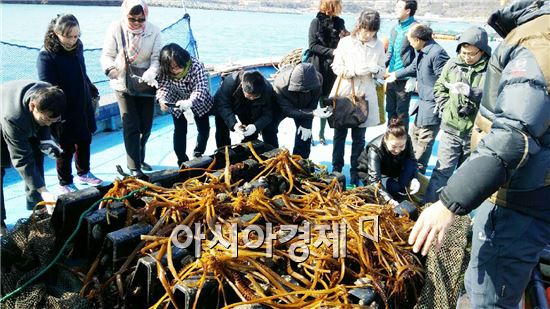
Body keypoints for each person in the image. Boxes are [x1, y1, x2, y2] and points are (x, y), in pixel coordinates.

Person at [408, 1, 550, 308]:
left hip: (518, 202)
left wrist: (449, 202)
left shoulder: (537, 40)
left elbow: (514, 136)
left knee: (487, 298)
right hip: (537, 193)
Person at [423, 27, 491, 203]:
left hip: (475, 133)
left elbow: (496, 98)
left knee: (466, 178)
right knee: (441, 171)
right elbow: (439, 88)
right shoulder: (452, 64)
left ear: (482, 51)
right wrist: (447, 107)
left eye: (472, 54)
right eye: (463, 52)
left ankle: (458, 222)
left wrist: (473, 94)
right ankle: (427, 210)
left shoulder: (492, 70)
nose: (467, 57)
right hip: (451, 128)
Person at [37, 14, 102, 194]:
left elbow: (82, 70)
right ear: (56, 33)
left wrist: (89, 87)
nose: (73, 40)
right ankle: (65, 181)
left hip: (82, 101)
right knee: (64, 146)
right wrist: (57, 110)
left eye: (76, 36)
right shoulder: (46, 56)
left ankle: (84, 172)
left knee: (85, 138)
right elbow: (46, 87)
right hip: (63, 107)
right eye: (68, 36)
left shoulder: (78, 47)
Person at [100, 0, 162, 177]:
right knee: (131, 124)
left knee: (146, 126)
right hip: (122, 83)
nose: (136, 23)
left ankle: (140, 157)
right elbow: (107, 55)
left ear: (146, 16)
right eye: (131, 19)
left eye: (140, 19)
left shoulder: (154, 31)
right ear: (125, 14)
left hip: (146, 83)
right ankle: (134, 166)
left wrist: (152, 71)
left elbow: (156, 57)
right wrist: (110, 68)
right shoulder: (115, 28)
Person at [330, 9, 386, 187]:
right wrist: (353, 72)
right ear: (359, 26)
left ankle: (355, 171)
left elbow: (383, 70)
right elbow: (336, 67)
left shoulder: (377, 45)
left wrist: (376, 70)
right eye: (365, 30)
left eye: (372, 31)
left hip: (365, 96)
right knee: (339, 134)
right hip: (346, 92)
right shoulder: (346, 42)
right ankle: (336, 169)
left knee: (359, 137)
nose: (368, 34)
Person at [1, 81, 67, 230]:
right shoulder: (13, 117)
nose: (49, 124)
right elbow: (21, 159)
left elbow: (49, 121)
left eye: (53, 120)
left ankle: (38, 208)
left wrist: (47, 139)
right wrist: (45, 191)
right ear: (32, 107)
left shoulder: (50, 93)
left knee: (37, 159)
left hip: (28, 120)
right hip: (4, 118)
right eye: (46, 120)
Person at [387, 24, 449, 174]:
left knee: (424, 141)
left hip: (432, 105)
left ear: (417, 39)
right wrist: (395, 75)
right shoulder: (422, 51)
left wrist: (440, 102)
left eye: (409, 39)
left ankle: (418, 173)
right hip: (422, 104)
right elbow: (413, 68)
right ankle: (409, 169)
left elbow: (445, 79)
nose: (409, 42)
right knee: (414, 136)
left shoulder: (437, 53)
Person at [156, 43, 213, 167]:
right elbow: (163, 86)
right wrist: (162, 99)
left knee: (204, 129)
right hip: (177, 102)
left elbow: (200, 87)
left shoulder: (196, 65)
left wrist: (190, 102)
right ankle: (181, 160)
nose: (174, 71)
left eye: (177, 67)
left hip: (198, 101)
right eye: (171, 68)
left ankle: (198, 152)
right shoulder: (165, 69)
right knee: (180, 131)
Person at [308, 0, 348, 145]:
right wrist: (332, 52)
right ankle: (310, 132)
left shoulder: (340, 23)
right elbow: (312, 46)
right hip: (318, 67)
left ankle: (321, 133)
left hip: (333, 69)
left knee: (326, 101)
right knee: (312, 102)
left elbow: (346, 40)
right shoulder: (315, 22)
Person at [357, 118, 420, 206]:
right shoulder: (374, 148)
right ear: (386, 140)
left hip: (391, 165)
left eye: (401, 146)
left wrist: (415, 178)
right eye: (394, 146)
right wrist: (389, 199)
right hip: (371, 173)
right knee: (386, 191)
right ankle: (393, 189)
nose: (397, 150)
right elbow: (374, 180)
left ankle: (401, 189)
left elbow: (412, 160)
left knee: (409, 165)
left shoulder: (407, 139)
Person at [273, 63, 331, 158]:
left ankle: (300, 161)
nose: (305, 91)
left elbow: (313, 104)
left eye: (307, 90)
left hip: (305, 106)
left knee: (305, 134)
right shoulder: (280, 84)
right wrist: (312, 113)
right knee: (270, 128)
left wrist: (307, 125)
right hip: (282, 106)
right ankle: (273, 156)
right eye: (302, 90)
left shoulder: (318, 80)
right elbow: (287, 110)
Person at [214, 71, 276, 148]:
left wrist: (255, 127)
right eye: (250, 96)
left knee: (250, 130)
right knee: (221, 129)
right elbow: (223, 105)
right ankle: (223, 151)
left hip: (252, 107)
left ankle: (247, 148)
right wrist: (234, 125)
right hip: (228, 102)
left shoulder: (268, 90)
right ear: (242, 87)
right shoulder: (230, 83)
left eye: (255, 97)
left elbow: (268, 114)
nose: (252, 98)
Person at [385, 0, 418, 130]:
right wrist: (379, 68)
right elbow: (390, 52)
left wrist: (413, 77)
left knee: (402, 114)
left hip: (405, 78)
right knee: (390, 111)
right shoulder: (395, 28)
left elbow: (419, 57)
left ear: (408, 10)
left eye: (399, 7)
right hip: (391, 77)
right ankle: (389, 142)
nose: (395, 9)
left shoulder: (415, 28)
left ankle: (403, 145)